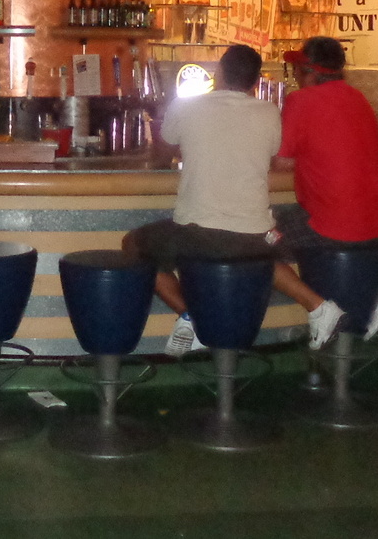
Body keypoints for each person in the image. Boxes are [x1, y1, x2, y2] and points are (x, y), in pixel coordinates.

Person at [122, 45, 344, 355]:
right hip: (257, 237)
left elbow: (161, 157)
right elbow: (269, 155)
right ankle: (319, 307)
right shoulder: (269, 112)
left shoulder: (185, 107)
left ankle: (191, 317)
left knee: (134, 244)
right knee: (258, 250)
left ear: (218, 73)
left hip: (199, 237)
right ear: (255, 82)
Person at [275, 36, 378, 343]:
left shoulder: (300, 101)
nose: (293, 74)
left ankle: (320, 309)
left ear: (309, 70)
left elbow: (281, 163)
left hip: (331, 226)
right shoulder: (359, 99)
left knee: (250, 241)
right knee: (376, 241)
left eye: (296, 67)